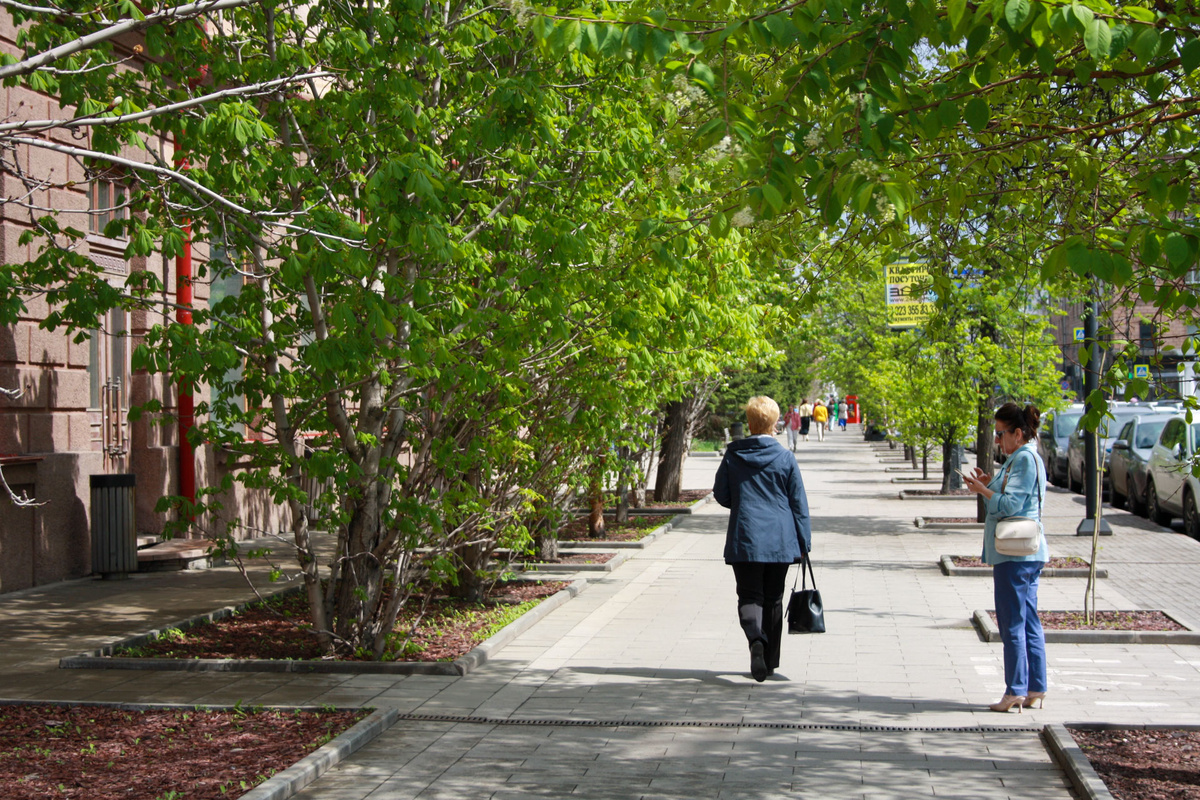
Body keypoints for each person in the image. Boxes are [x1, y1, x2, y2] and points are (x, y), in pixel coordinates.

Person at [714, 396, 812, 682]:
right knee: (773, 597)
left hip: (745, 535)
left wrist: (743, 502)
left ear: (749, 422)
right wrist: (804, 541)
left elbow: (721, 493)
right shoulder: (785, 457)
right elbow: (798, 503)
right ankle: (769, 662)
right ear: (774, 422)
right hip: (780, 539)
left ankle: (756, 639)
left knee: (749, 595)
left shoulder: (734, 454)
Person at [962, 403, 1049, 713]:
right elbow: (1012, 494)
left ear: (1018, 433)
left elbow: (1011, 504)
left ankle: (1015, 690)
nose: (997, 440)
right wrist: (988, 482)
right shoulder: (1022, 458)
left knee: (1013, 623)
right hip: (1026, 553)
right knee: (1028, 621)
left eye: (1000, 434)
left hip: (1015, 554)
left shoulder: (1024, 459)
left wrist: (984, 491)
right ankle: (1035, 686)